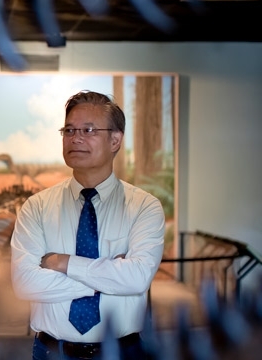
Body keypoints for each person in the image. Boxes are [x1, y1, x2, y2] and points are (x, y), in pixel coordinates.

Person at [10, 90, 165, 359]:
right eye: (69, 130)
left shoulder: (144, 207)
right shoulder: (36, 207)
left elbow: (138, 278)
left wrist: (63, 262)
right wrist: (106, 276)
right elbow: (25, 283)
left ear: (115, 140)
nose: (75, 138)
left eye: (88, 129)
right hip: (51, 352)